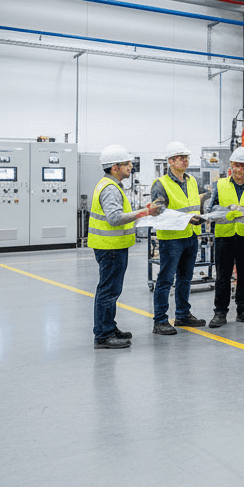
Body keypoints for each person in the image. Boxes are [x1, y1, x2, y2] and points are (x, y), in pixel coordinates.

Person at [89, 145, 163, 349]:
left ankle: (109, 327)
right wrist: (145, 212)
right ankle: (103, 335)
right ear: (115, 167)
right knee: (108, 291)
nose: (131, 166)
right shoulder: (110, 189)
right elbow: (114, 219)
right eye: (127, 163)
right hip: (110, 247)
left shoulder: (110, 184)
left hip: (113, 246)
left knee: (112, 290)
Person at [203, 147, 244, 329]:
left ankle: (243, 310)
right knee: (223, 275)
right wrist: (227, 211)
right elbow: (211, 209)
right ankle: (220, 312)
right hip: (225, 236)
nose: (241, 170)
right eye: (237, 166)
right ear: (231, 165)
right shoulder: (220, 184)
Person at [151, 142, 207, 335]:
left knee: (185, 278)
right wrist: (186, 218)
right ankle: (160, 321)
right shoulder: (160, 184)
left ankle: (183, 315)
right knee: (166, 279)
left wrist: (200, 216)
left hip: (191, 235)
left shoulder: (192, 181)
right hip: (171, 238)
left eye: (186, 157)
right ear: (170, 161)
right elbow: (159, 211)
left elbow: (194, 204)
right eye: (180, 157)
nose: (185, 160)